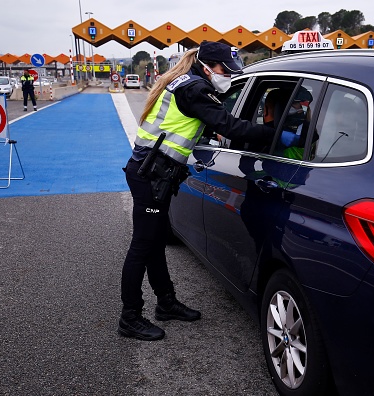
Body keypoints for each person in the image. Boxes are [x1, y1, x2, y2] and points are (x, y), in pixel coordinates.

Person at [118, 41, 275, 341]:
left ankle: (165, 302)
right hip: (150, 175)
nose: (227, 76)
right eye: (224, 71)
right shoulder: (196, 90)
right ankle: (130, 317)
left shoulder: (187, 83)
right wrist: (276, 134)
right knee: (142, 247)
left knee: (153, 244)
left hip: (152, 173)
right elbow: (233, 128)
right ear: (207, 67)